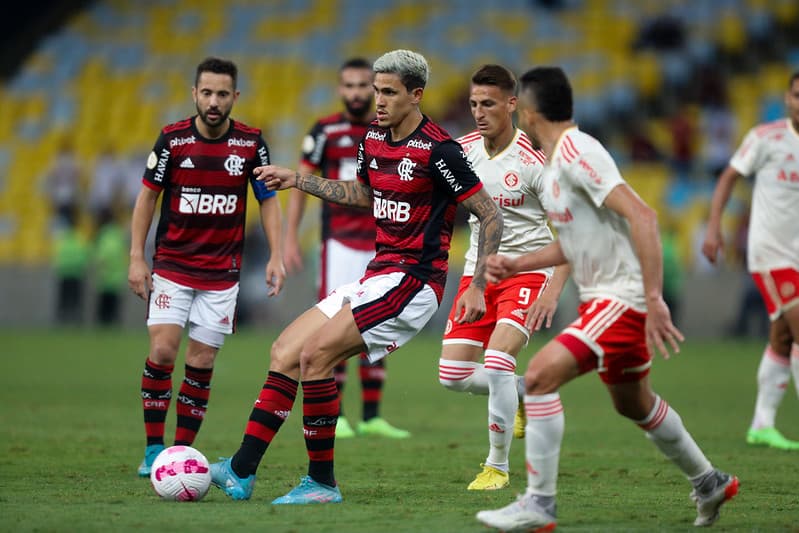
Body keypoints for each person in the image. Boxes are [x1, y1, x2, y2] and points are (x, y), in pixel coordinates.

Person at [209, 49, 503, 505]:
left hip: (414, 281)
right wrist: (297, 179)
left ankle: (321, 484)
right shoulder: (374, 139)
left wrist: (479, 285)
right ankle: (240, 470)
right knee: (285, 350)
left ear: (416, 95)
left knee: (315, 356)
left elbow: (489, 214)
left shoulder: (439, 150)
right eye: (376, 90)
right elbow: (364, 193)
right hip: (378, 274)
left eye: (389, 92)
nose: (377, 100)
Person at [477, 66, 737, 531]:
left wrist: (653, 298)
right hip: (605, 300)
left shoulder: (578, 151)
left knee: (537, 377)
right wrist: (517, 264)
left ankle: (539, 504)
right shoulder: (556, 165)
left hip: (620, 300)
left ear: (529, 112)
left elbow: (643, 216)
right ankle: (709, 481)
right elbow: (573, 241)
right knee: (634, 404)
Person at [128, 57, 285, 477]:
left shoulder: (251, 144)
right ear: (194, 94)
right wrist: (136, 257)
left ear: (235, 97)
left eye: (222, 94)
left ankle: (180, 452)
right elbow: (147, 197)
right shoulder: (172, 139)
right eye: (207, 93)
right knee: (163, 351)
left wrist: (276, 253)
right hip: (173, 266)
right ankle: (153, 448)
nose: (214, 102)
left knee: (201, 362)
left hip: (221, 275)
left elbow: (268, 201)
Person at [438, 64, 570, 490]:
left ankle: (496, 466)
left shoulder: (535, 162)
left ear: (512, 104)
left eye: (489, 104)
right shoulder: (461, 152)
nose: (479, 112)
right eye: (474, 104)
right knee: (452, 375)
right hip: (479, 271)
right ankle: (525, 389)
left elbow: (573, 233)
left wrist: (552, 290)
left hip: (528, 271)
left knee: (496, 361)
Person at [285, 57, 409, 439]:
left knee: (378, 322)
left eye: (362, 86)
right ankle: (336, 415)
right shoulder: (325, 130)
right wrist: (290, 237)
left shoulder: (388, 129)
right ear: (340, 89)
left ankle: (371, 416)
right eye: (349, 86)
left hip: (381, 242)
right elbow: (301, 182)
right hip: (338, 243)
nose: (356, 93)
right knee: (334, 324)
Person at [701, 70, 799, 451]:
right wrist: (714, 227)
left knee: (782, 336)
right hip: (771, 253)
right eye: (796, 95)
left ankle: (762, 424)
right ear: (787, 98)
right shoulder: (765, 137)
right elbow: (729, 177)